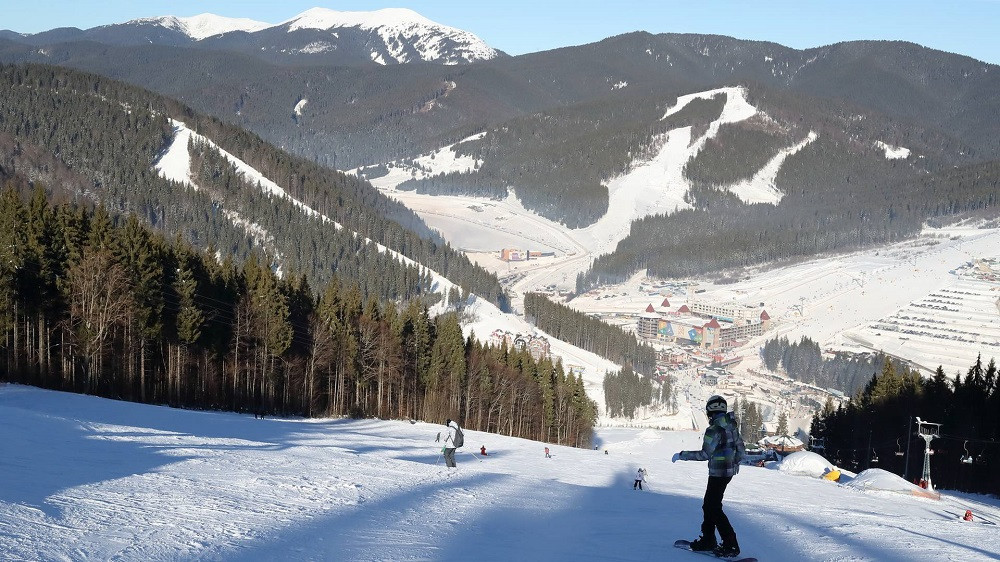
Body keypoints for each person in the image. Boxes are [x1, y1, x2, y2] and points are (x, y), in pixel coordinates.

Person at [672, 395, 745, 558]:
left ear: (710, 412)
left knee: (713, 507)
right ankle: (708, 539)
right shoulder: (732, 426)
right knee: (710, 505)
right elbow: (741, 449)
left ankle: (730, 545)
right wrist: (734, 462)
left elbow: (705, 454)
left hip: (717, 473)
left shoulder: (713, 430)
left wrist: (682, 455)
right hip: (727, 473)